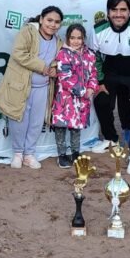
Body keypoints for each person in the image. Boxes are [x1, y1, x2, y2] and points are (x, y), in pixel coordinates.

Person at [0, 6, 64, 169]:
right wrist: (43, 67)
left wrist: (54, 68)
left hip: (43, 88)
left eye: (57, 22)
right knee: (19, 119)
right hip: (21, 86)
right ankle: (17, 153)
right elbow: (19, 53)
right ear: (41, 19)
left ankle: (29, 154)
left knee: (36, 122)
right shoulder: (27, 32)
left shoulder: (58, 41)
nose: (52, 25)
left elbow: (57, 61)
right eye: (49, 20)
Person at [90, 0, 130, 175]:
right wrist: (100, 80)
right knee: (100, 99)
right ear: (108, 12)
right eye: (114, 10)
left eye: (123, 10)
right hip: (111, 70)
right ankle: (111, 139)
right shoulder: (98, 30)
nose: (119, 14)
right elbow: (94, 57)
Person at [50, 24, 98, 169]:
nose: (76, 41)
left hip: (81, 101)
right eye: (72, 38)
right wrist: (83, 92)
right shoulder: (63, 54)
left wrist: (91, 88)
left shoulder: (89, 54)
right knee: (61, 127)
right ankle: (62, 155)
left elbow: (93, 74)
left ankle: (75, 152)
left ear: (84, 38)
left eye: (79, 38)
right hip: (64, 99)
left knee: (76, 127)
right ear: (67, 38)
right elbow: (65, 77)